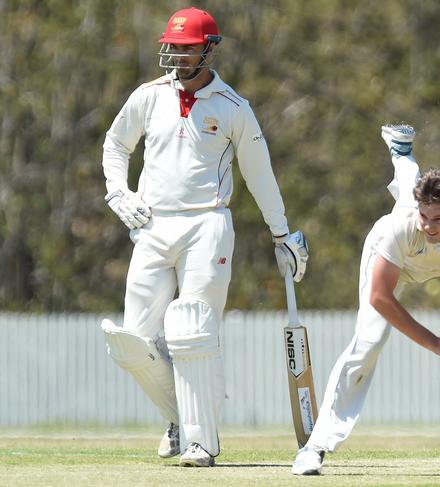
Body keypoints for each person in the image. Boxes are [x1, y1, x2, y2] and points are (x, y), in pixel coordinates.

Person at [99, 7, 308, 467]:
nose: (175, 54)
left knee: (193, 331)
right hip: (152, 225)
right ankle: (180, 418)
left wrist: (281, 233)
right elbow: (115, 146)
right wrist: (118, 192)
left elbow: (260, 175)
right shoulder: (148, 96)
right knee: (133, 340)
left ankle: (201, 442)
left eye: (186, 47)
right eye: (171, 45)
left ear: (209, 48)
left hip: (207, 225)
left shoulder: (233, 107)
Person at [291, 123, 440, 475]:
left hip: (420, 256)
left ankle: (403, 153)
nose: (429, 225)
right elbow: (380, 297)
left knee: (410, 193)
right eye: (426, 216)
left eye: (438, 218)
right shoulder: (406, 224)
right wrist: (434, 342)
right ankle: (315, 447)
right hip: (391, 258)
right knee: (369, 341)